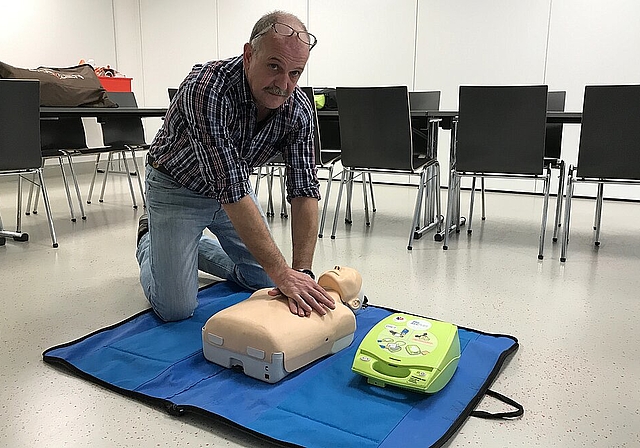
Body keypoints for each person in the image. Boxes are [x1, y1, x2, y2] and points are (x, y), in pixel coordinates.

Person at [136, 10, 335, 322]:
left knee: (268, 281)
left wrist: (301, 272)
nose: (283, 84)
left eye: (295, 73)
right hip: (176, 189)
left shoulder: (298, 110)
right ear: (248, 54)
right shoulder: (206, 87)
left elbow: (304, 191)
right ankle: (150, 238)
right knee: (175, 309)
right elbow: (228, 187)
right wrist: (282, 271)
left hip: (234, 190)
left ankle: (186, 247)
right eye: (274, 66)